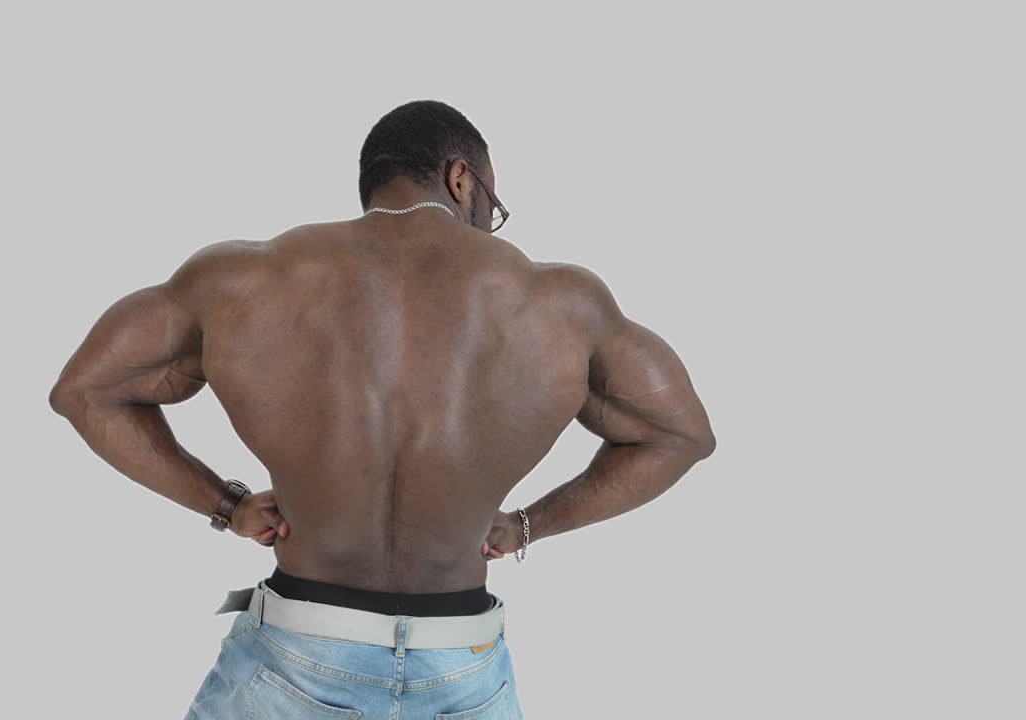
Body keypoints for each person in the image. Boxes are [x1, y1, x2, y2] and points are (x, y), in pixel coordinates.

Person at [48, 99, 716, 719]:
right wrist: (529, 525)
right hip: (462, 666)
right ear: (461, 181)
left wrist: (227, 504)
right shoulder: (565, 304)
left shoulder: (241, 279)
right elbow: (680, 434)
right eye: (493, 203)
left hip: (298, 649)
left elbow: (86, 391)